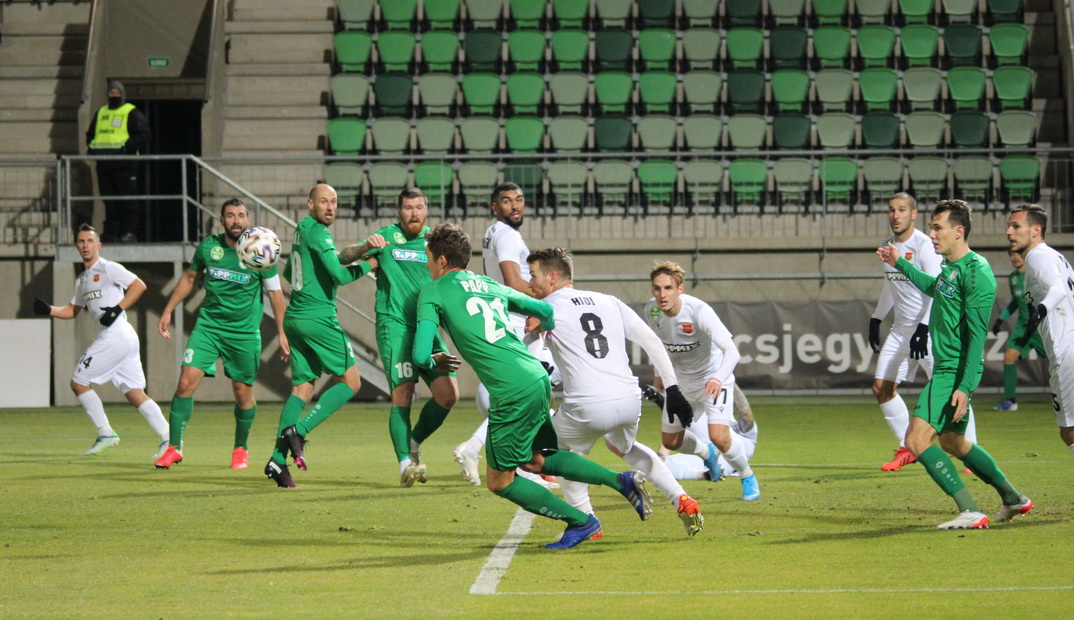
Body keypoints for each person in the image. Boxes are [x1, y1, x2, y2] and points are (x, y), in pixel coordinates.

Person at [413, 223, 654, 550]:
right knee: (536, 459)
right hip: (536, 378)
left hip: (511, 390)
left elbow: (420, 354)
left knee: (500, 481)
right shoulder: (487, 284)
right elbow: (542, 309)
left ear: (441, 261)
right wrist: (544, 326)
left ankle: (581, 521)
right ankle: (621, 481)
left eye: (428, 259)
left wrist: (433, 362)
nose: (427, 265)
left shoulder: (432, 291)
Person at [526, 247, 704, 536]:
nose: (529, 283)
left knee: (553, 453)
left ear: (552, 277)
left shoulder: (545, 308)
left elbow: (533, 358)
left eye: (533, 275)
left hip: (587, 405)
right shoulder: (609, 301)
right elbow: (651, 340)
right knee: (624, 447)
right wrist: (672, 389)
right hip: (629, 400)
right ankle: (681, 498)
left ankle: (586, 521)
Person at [877, 199, 1031, 529]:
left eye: (937, 228)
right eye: (931, 228)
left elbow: (977, 338)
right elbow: (933, 287)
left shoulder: (977, 272)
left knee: (915, 440)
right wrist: (898, 262)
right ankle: (1014, 498)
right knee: (953, 443)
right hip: (949, 368)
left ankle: (969, 510)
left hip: (954, 370)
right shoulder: (951, 268)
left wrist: (964, 386)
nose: (931, 235)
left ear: (958, 231)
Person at [153, 199, 290, 470]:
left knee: (242, 394)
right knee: (185, 383)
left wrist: (283, 333)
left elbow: (275, 294)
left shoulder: (261, 250)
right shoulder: (209, 247)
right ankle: (174, 448)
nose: (236, 221)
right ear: (222, 220)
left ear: (248, 220)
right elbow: (189, 278)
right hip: (209, 327)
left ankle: (241, 448)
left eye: (241, 215)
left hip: (243, 333)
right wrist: (168, 309)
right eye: (230, 215)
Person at [264, 184, 379, 488]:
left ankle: (277, 461)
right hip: (318, 319)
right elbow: (340, 275)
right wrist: (371, 264)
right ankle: (299, 431)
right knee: (351, 382)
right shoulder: (319, 233)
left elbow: (291, 274)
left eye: (334, 202)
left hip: (296, 317)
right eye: (324, 201)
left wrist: (358, 251)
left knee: (302, 389)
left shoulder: (302, 229)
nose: (330, 207)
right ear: (310, 204)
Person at [452, 182, 557, 489]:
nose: (515, 205)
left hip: (507, 321)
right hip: (519, 325)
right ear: (495, 207)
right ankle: (485, 451)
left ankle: (528, 464)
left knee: (534, 396)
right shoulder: (507, 235)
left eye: (519, 199)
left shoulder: (494, 232)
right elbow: (512, 281)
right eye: (507, 201)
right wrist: (544, 300)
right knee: (532, 395)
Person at [33, 224, 169, 455]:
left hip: (115, 334)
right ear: (77, 246)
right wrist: (49, 310)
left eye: (90, 241)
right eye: (81, 241)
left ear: (99, 245)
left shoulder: (108, 268)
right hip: (122, 338)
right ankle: (169, 438)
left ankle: (106, 432)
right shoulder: (82, 279)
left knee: (78, 382)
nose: (86, 245)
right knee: (134, 392)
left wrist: (117, 309)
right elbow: (72, 310)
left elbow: (139, 285)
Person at [362, 188, 459, 487]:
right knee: (403, 393)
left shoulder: (435, 242)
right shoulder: (385, 237)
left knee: (448, 395)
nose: (414, 213)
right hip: (395, 326)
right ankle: (405, 464)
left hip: (427, 326)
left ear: (427, 210)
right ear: (399, 210)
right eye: (408, 207)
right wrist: (364, 246)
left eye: (419, 207)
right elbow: (345, 258)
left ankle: (413, 441)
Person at [645, 261, 761, 501]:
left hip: (712, 379)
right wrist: (659, 374)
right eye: (657, 288)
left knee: (719, 436)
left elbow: (732, 352)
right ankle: (705, 452)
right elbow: (658, 346)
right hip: (681, 385)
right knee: (671, 442)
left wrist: (718, 378)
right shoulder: (652, 311)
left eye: (668, 288)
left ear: (680, 289)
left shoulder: (699, 311)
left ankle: (747, 475)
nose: (662, 294)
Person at [869, 193, 943, 471]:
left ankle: (970, 448)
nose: (895, 215)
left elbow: (937, 289)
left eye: (902, 210)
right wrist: (877, 318)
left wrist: (924, 327)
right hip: (901, 330)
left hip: (930, 329)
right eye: (891, 210)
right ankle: (908, 447)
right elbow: (892, 284)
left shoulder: (925, 245)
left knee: (948, 388)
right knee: (882, 388)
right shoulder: (887, 247)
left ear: (914, 214)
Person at [1005, 204, 1074, 453]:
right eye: (1009, 226)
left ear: (1035, 230)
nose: (1008, 232)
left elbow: (1057, 288)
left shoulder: (1037, 256)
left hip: (1067, 352)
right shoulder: (1055, 256)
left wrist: (1041, 309)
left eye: (1016, 226)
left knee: (1069, 430)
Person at [85, 81, 150, 243]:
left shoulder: (130, 112)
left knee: (127, 200)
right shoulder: (101, 112)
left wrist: (126, 148)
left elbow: (143, 134)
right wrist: (93, 147)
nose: (114, 95)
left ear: (123, 95)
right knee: (109, 201)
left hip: (124, 164)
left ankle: (129, 232)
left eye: (117, 93)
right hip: (104, 163)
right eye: (111, 92)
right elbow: (91, 134)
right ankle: (111, 233)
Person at [991, 249, 1048, 411]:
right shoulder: (1013, 278)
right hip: (1022, 326)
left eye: (1018, 254)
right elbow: (1016, 302)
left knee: (1060, 359)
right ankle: (1011, 401)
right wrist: (1001, 319)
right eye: (1012, 254)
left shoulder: (1035, 275)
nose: (1015, 257)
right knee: (1009, 356)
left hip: (1040, 325)